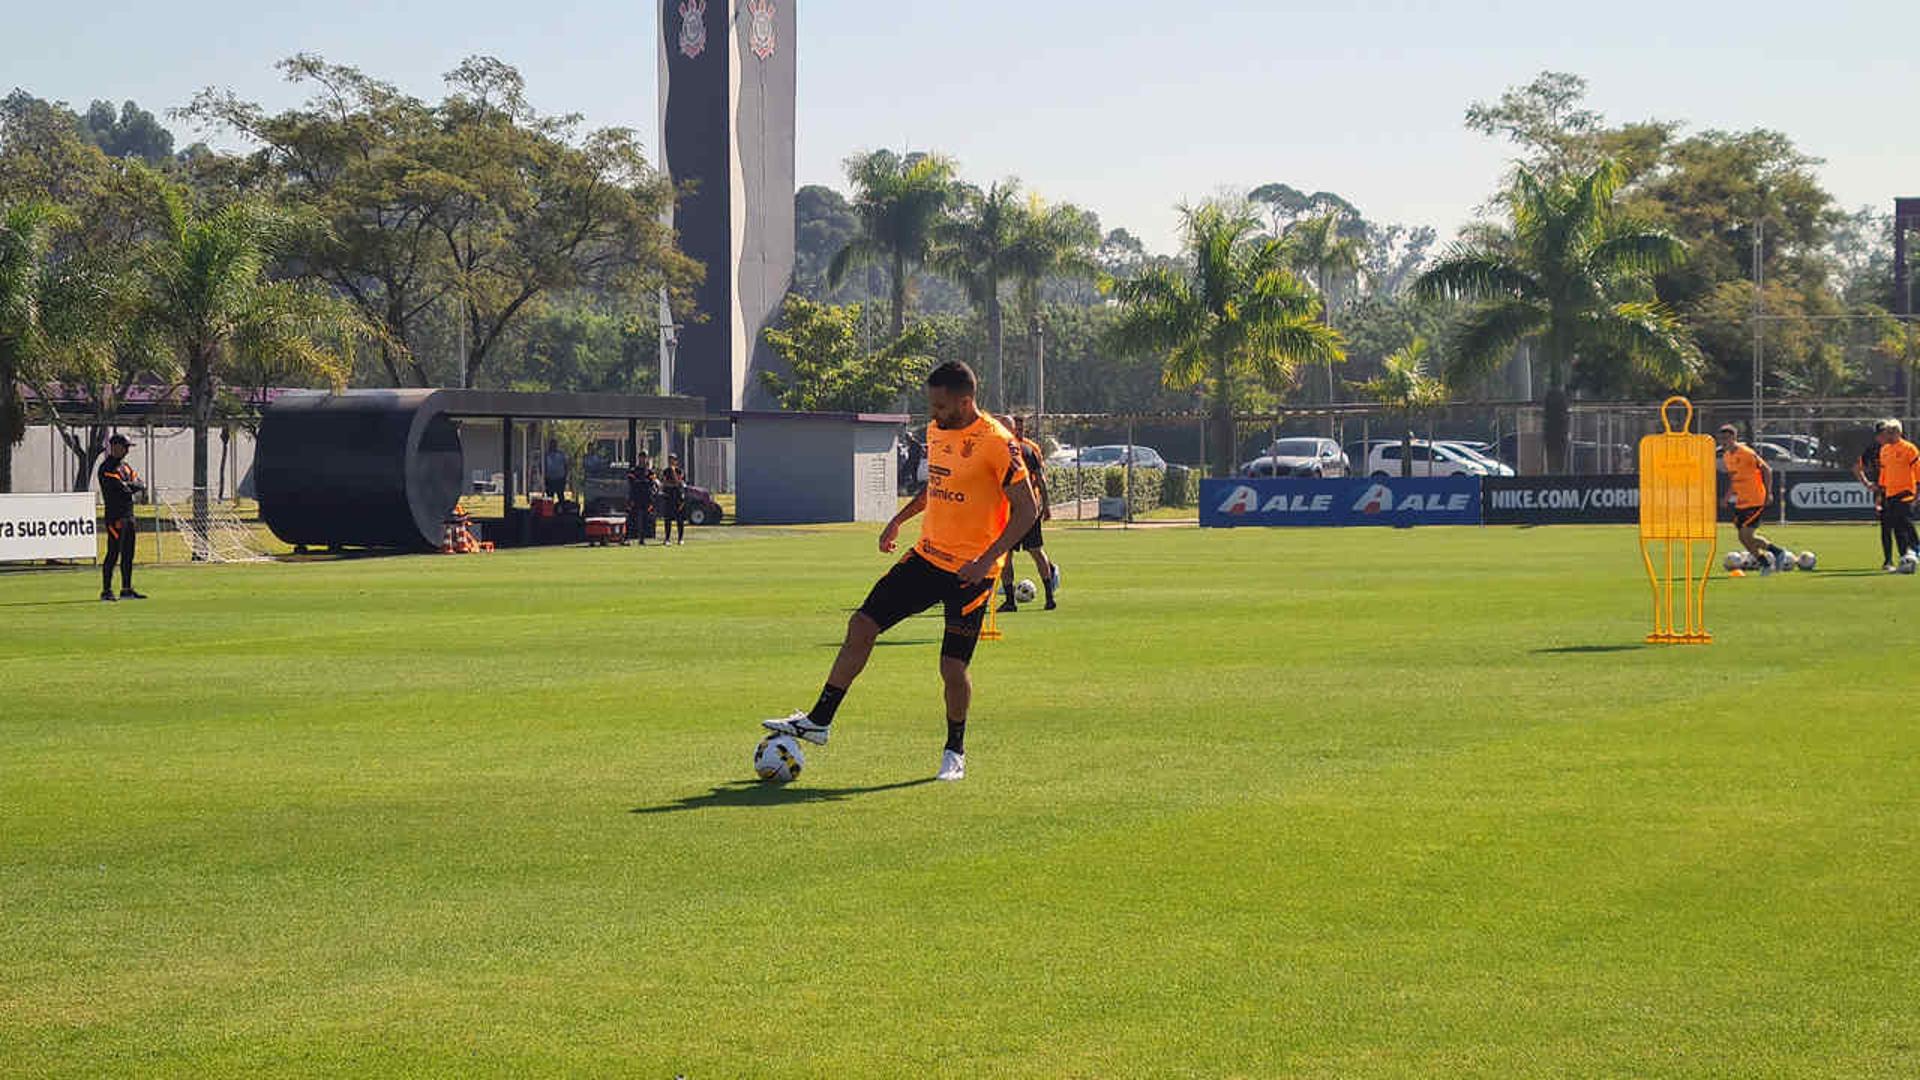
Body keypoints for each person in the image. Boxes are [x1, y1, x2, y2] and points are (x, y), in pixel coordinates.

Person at [763, 361, 1038, 781]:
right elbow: (938, 486)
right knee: (862, 624)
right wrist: (899, 519)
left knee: (951, 667)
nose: (934, 412)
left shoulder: (997, 443)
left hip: (973, 573)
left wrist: (987, 559)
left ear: (966, 402)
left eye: (942, 405)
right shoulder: (935, 431)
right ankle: (820, 720)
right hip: (927, 557)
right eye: (931, 404)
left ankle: (955, 750)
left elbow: (1027, 510)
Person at [997, 415, 1060, 612]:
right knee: (1017, 553)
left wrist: (1046, 505)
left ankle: (1040, 597)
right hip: (1018, 508)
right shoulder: (1018, 449)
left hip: (1020, 508)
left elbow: (1040, 479)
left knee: (1025, 552)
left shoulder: (1026, 449)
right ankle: (1019, 600)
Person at [1716, 423, 1789, 574]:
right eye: (1722, 439)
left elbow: (1767, 469)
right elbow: (1734, 479)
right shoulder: (1726, 456)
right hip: (1741, 501)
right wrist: (1727, 497)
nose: (1724, 442)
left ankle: (1769, 561)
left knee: (1745, 534)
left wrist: (1768, 492)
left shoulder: (1746, 453)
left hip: (1756, 498)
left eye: (1727, 438)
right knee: (1744, 538)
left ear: (1734, 438)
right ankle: (1773, 555)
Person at [97, 433, 147, 602]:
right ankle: (106, 590)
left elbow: (140, 484)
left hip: (129, 515)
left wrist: (131, 486)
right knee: (113, 552)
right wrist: (131, 486)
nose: (127, 450)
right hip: (115, 516)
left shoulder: (125, 467)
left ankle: (126, 589)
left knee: (128, 553)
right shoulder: (106, 468)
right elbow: (122, 488)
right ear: (116, 447)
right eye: (125, 446)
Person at [1874, 419, 1920, 570]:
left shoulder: (1909, 449)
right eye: (1887, 432)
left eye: (1891, 432)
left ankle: (1916, 549)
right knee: (1898, 526)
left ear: (1899, 432)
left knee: (1904, 521)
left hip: (1906, 491)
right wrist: (1881, 494)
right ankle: (1904, 556)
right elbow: (1884, 473)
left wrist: (1918, 493)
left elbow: (1918, 472)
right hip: (1890, 493)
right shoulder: (1884, 450)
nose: (1888, 435)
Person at [1853, 422, 1892, 568]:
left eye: (1887, 432)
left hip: (1900, 490)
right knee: (1886, 526)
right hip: (1882, 492)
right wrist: (1867, 484)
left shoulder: (1898, 447)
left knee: (1903, 525)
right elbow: (1857, 468)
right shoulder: (1872, 450)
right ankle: (1888, 560)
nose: (1884, 436)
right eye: (1881, 433)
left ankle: (1908, 555)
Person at [625, 451, 659, 545]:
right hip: (635, 497)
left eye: (644, 457)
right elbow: (632, 481)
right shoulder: (633, 470)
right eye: (641, 457)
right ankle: (627, 538)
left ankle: (642, 539)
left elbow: (651, 482)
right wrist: (643, 481)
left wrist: (641, 481)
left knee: (644, 519)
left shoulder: (650, 471)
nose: (642, 459)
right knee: (631, 518)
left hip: (646, 498)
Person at [658, 454, 688, 545]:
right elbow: (664, 483)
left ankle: (680, 539)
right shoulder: (665, 471)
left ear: (676, 461)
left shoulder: (680, 471)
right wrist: (672, 484)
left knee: (680, 519)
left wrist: (674, 474)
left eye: (673, 459)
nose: (671, 461)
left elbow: (680, 483)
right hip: (668, 497)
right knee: (667, 519)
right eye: (670, 459)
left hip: (678, 498)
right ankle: (667, 539)